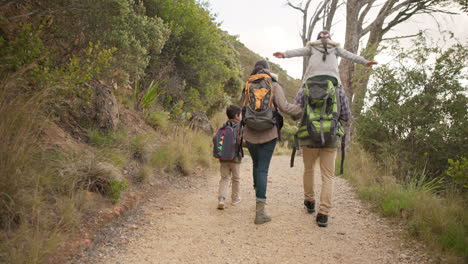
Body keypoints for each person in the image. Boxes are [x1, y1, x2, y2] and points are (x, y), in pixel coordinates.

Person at [273, 30, 377, 227]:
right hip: (330, 137)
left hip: (309, 136)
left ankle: (310, 201)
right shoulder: (338, 90)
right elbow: (346, 115)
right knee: (328, 175)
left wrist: (284, 54)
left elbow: (297, 110)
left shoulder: (305, 89)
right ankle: (323, 214)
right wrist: (365, 62)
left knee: (309, 170)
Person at [242, 60, 302, 225]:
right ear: (268, 70)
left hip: (250, 132)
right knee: (263, 169)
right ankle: (260, 212)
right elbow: (285, 107)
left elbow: (243, 108)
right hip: (269, 132)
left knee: (256, 165)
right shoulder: (274, 85)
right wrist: (302, 110)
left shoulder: (248, 84)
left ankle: (258, 199)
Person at [215, 105, 243, 210]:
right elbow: (241, 141)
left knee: (224, 178)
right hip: (235, 158)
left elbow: (215, 139)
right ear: (236, 116)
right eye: (240, 114)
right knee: (236, 179)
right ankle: (235, 199)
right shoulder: (240, 126)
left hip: (223, 158)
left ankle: (221, 199)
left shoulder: (223, 126)